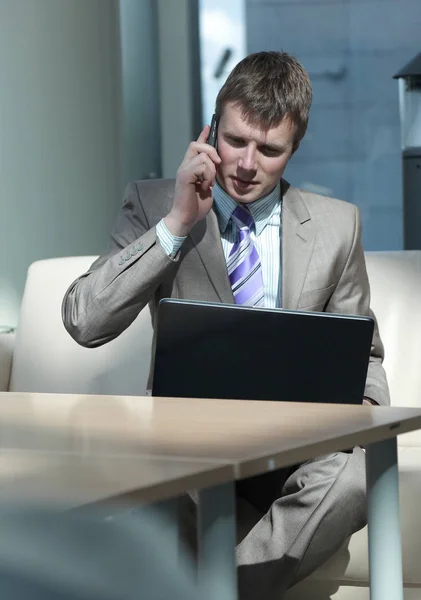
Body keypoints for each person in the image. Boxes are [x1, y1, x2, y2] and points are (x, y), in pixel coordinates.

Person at [62, 51, 390, 599]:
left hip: (297, 453)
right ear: (210, 128)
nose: (245, 164)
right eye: (235, 141)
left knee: (357, 475)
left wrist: (367, 414)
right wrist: (176, 224)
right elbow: (83, 320)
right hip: (189, 452)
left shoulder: (337, 227)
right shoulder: (154, 205)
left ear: (295, 149)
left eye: (269, 150)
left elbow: (366, 355)